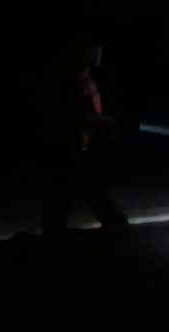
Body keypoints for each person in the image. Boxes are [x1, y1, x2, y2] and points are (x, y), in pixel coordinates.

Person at [41, 37, 129, 238]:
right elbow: (68, 110)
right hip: (73, 143)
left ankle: (53, 233)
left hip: (80, 143)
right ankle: (117, 228)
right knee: (81, 188)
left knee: (70, 190)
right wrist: (103, 121)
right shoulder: (73, 79)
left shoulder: (84, 77)